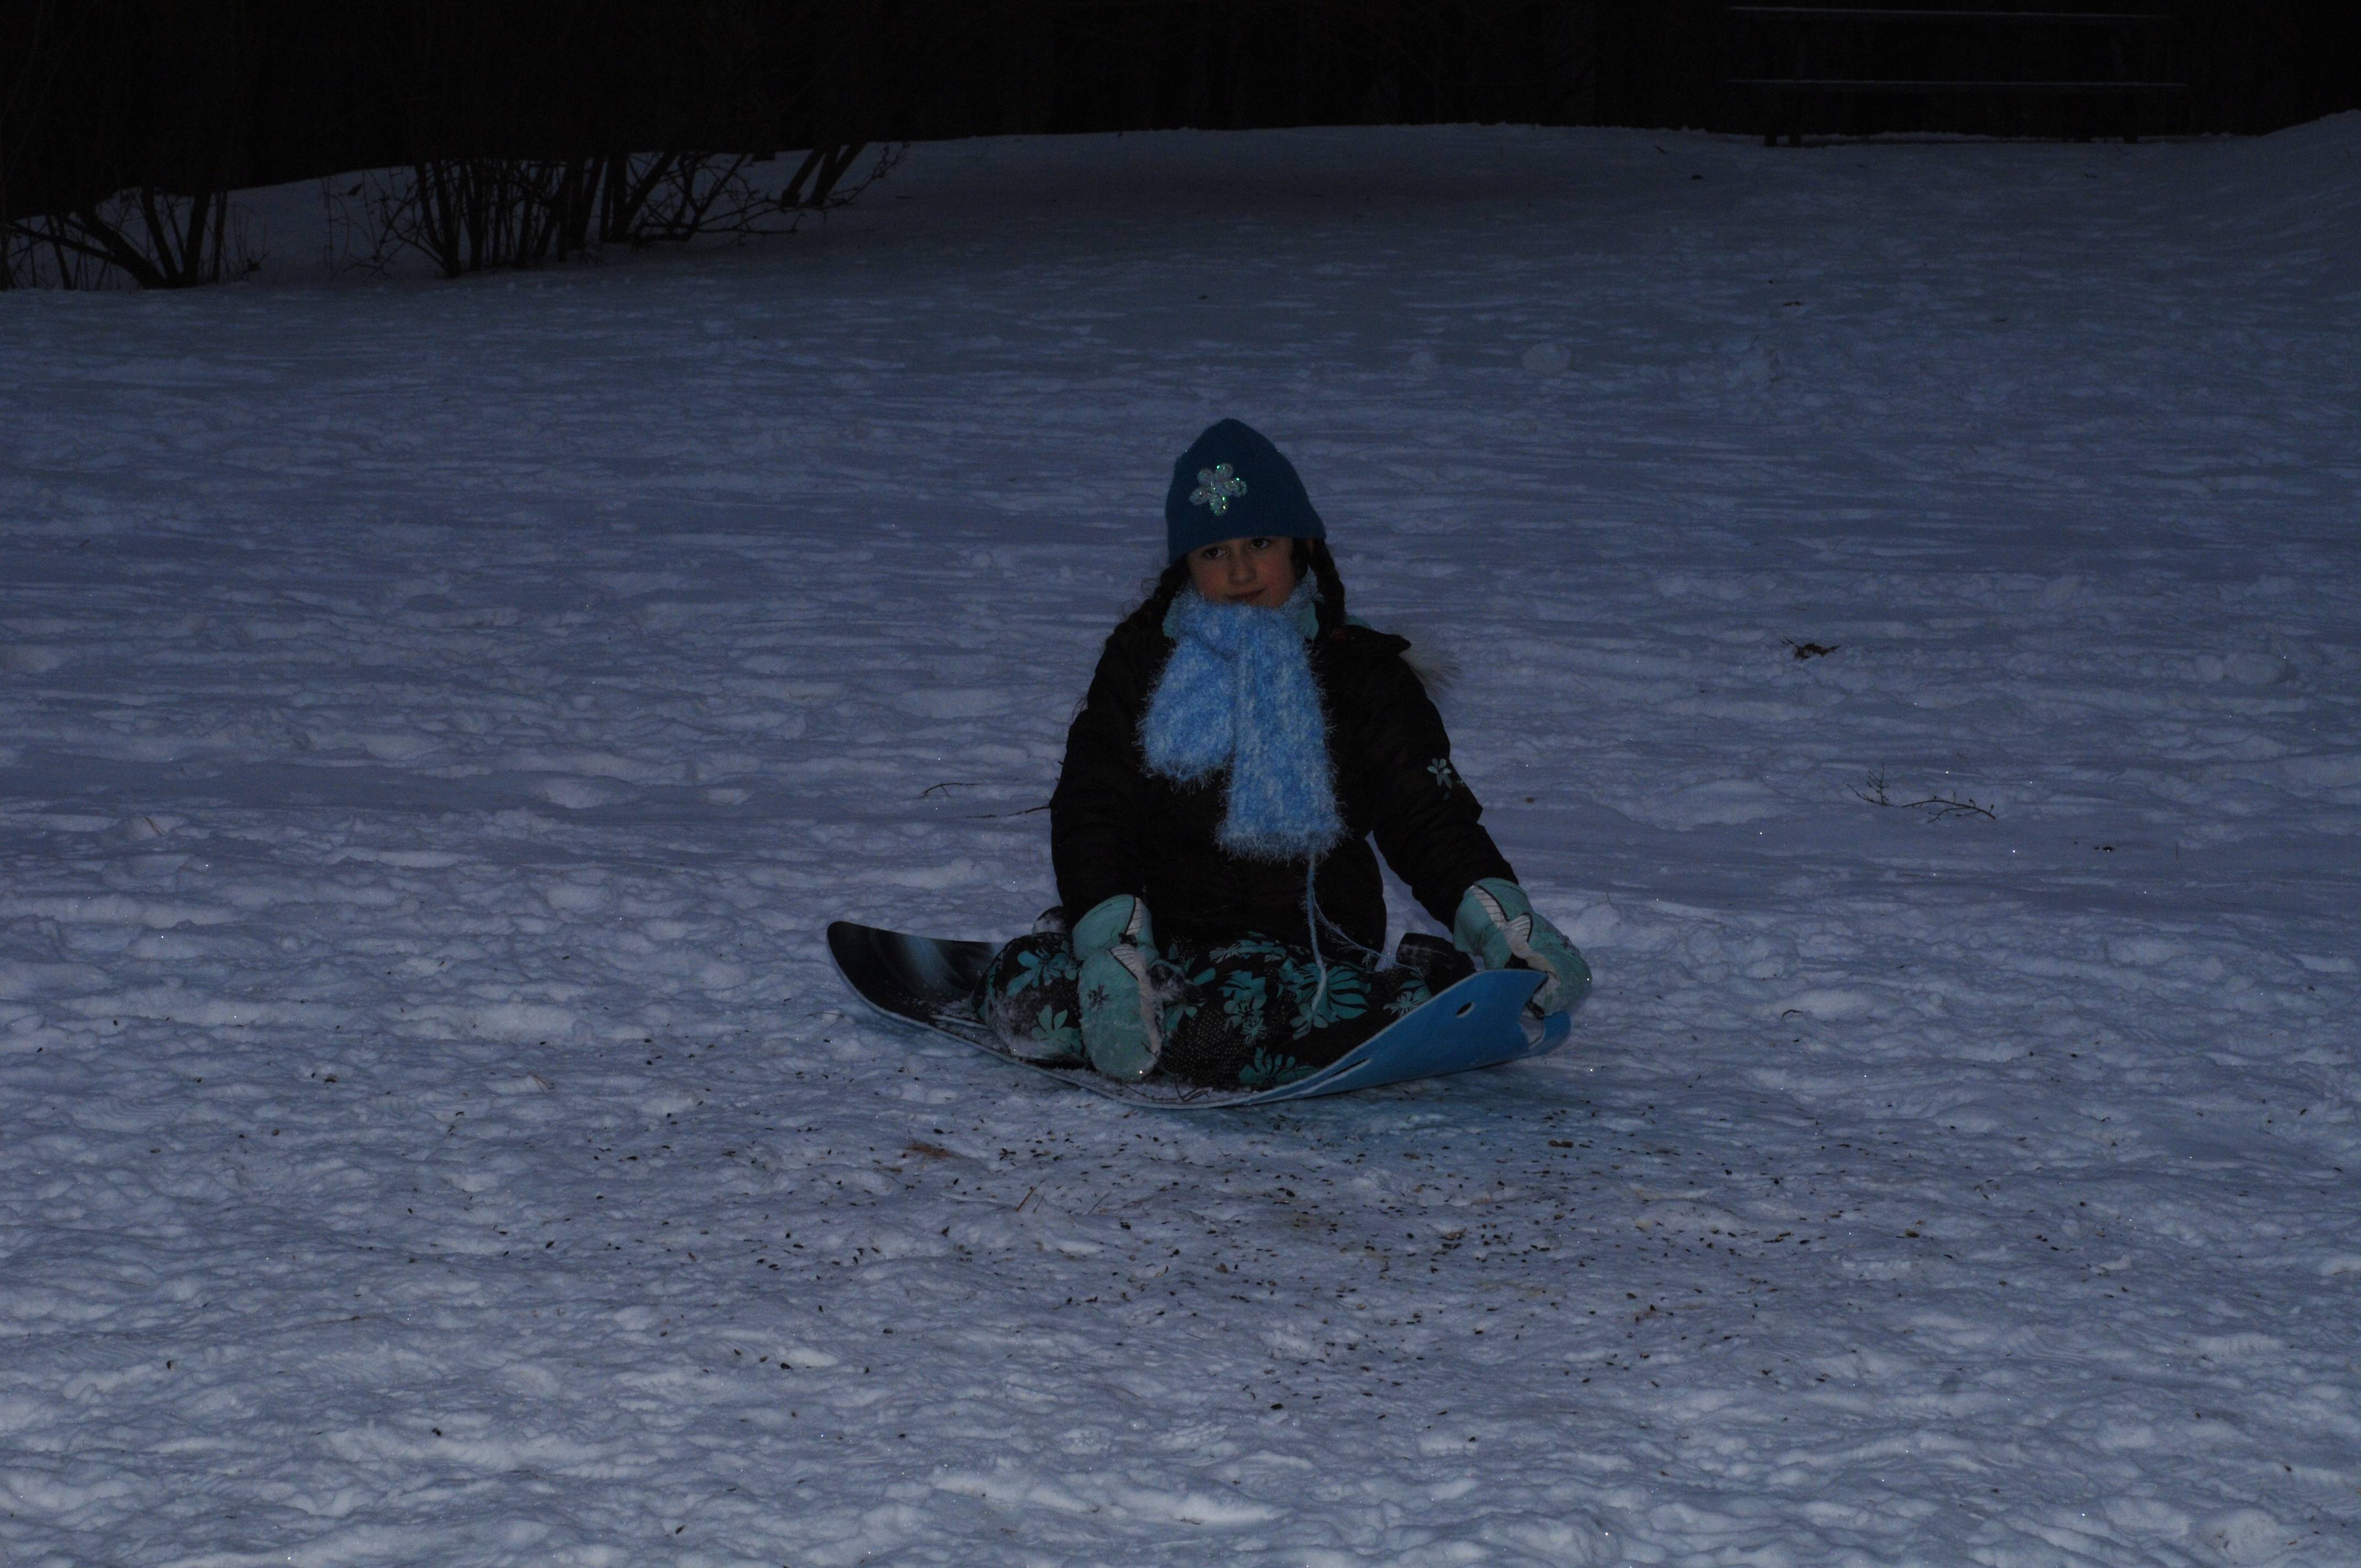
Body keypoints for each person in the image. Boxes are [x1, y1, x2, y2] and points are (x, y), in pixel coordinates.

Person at [974, 418, 1588, 1088]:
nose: (1240, 571)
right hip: (1160, 938)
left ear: (1301, 546)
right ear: (1186, 564)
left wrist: (1504, 925)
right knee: (1025, 993)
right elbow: (1094, 808)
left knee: (1240, 1017)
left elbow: (1426, 816)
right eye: (1214, 551)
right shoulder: (1142, 659)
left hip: (1304, 951)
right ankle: (1143, 1002)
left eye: (1260, 543)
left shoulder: (1359, 672)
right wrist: (1114, 950)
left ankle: (1415, 998)